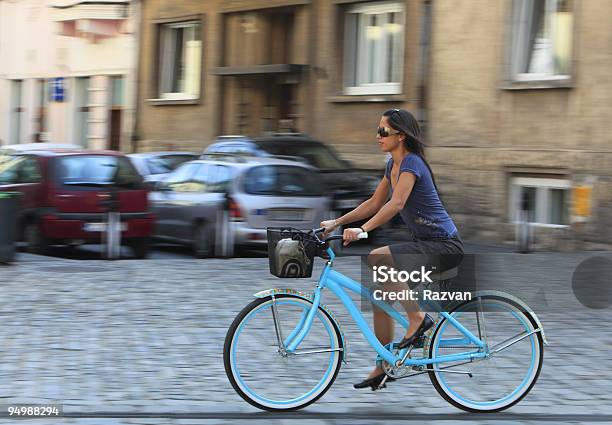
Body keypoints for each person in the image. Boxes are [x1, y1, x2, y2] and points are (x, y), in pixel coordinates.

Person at [320, 108, 464, 390]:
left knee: (379, 256)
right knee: (380, 298)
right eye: (377, 130)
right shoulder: (392, 166)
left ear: (400, 135)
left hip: (444, 245)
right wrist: (336, 222)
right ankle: (383, 367)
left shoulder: (413, 164)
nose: (378, 136)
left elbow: (396, 204)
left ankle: (417, 319)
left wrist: (363, 230)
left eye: (383, 131)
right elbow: (374, 203)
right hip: (425, 243)